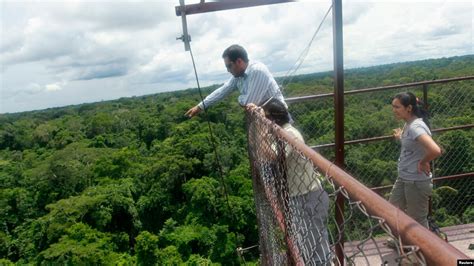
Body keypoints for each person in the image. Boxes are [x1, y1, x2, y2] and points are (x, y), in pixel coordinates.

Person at [248, 99, 331, 265]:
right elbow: (257, 148)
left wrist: (262, 131)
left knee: (316, 247)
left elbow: (272, 156)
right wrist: (256, 121)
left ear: (272, 120)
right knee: (305, 243)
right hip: (298, 195)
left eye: (266, 119)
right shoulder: (278, 132)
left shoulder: (289, 133)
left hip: (308, 196)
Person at [185, 44, 287, 118]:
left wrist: (240, 99)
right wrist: (200, 106)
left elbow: (249, 103)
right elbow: (222, 91)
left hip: (280, 122)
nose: (228, 70)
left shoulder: (257, 70)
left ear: (239, 61)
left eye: (229, 66)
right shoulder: (239, 76)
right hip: (266, 121)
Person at [389, 92, 442, 228]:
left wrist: (423, 161)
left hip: (416, 181)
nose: (394, 110)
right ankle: (403, 242)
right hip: (405, 177)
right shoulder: (409, 124)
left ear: (409, 108)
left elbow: (435, 150)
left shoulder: (415, 127)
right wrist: (401, 137)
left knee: (417, 220)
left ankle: (424, 248)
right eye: (393, 107)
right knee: (393, 209)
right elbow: (413, 143)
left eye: (397, 107)